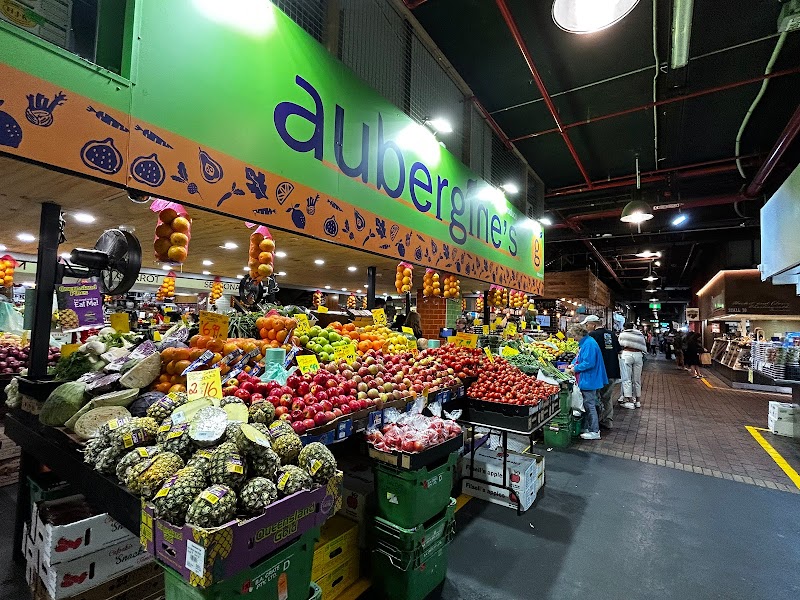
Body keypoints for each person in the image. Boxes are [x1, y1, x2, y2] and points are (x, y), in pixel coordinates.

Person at [566, 323, 608, 441]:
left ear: (580, 334)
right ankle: (590, 427)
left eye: (574, 335)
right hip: (589, 378)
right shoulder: (587, 342)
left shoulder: (589, 344)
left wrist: (575, 368)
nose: (573, 338)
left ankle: (595, 431)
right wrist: (573, 363)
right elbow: (580, 358)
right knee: (590, 403)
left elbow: (589, 363)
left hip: (590, 378)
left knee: (590, 405)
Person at [581, 314, 621, 430]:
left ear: (593, 325)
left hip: (598, 373)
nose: (586, 327)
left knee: (595, 397)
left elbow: (589, 355)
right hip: (612, 370)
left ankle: (595, 422)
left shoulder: (592, 336)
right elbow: (618, 350)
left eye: (587, 325)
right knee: (607, 397)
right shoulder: (612, 334)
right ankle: (607, 421)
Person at [618, 323, 647, 409]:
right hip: (638, 355)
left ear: (624, 327)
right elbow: (643, 346)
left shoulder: (623, 334)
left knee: (627, 378)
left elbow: (620, 344)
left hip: (627, 354)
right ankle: (638, 401)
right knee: (637, 379)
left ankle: (629, 401)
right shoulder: (639, 334)